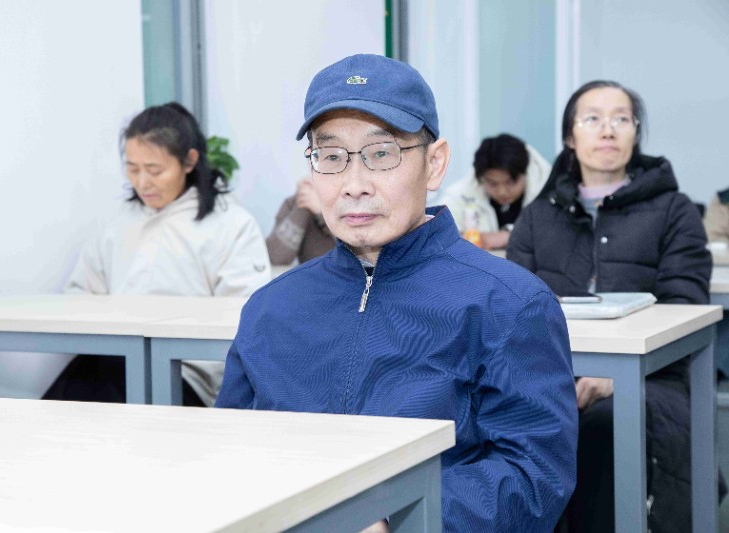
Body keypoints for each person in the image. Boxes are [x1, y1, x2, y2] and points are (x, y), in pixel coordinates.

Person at [215, 54, 577, 532]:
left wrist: (397, 520)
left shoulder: (509, 303)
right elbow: (232, 451)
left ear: (434, 164)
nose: (354, 186)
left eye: (381, 153)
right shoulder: (270, 308)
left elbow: (534, 475)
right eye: (331, 157)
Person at [507, 80, 716, 532]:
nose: (608, 130)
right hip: (553, 377)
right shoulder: (537, 217)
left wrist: (614, 376)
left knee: (603, 425)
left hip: (653, 377)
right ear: (570, 136)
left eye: (621, 119)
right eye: (593, 119)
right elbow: (512, 315)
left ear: (635, 132)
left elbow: (684, 304)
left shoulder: (674, 210)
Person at [44, 102, 270, 406]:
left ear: (189, 161)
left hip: (187, 376)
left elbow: (248, 320)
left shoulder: (231, 224)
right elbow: (80, 295)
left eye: (154, 170)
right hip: (113, 362)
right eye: (133, 169)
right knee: (53, 409)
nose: (142, 183)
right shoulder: (118, 222)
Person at [436, 133, 550, 250]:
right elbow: (437, 235)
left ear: (525, 174)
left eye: (510, 182)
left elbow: (553, 235)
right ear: (481, 178)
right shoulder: (461, 195)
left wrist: (509, 236)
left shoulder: (549, 194)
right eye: (492, 183)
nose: (502, 192)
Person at [266, 176, 335, 265]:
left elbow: (351, 254)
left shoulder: (348, 199)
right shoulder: (293, 203)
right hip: (311, 273)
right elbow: (275, 259)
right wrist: (302, 203)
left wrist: (322, 214)